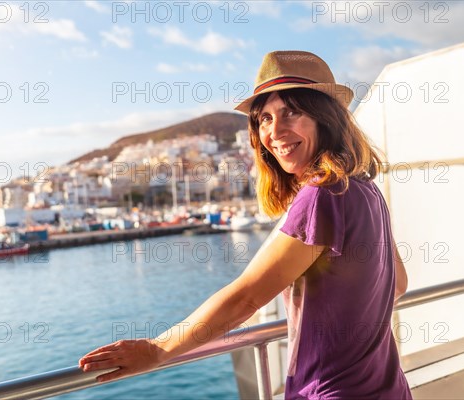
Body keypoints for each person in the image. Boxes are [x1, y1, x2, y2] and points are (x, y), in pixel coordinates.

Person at [79, 50, 412, 399]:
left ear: (325, 118)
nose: (275, 131)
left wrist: (157, 349)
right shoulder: (364, 189)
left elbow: (247, 297)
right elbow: (398, 282)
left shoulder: (322, 196)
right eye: (264, 119)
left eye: (291, 112)